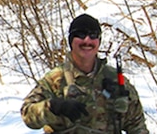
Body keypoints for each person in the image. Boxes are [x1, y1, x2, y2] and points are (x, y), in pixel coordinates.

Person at [21, 14, 149, 133]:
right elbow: (27, 115)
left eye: (93, 35)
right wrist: (53, 107)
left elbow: (137, 126)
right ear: (71, 41)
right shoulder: (55, 79)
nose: (87, 40)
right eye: (81, 34)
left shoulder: (116, 80)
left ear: (98, 41)